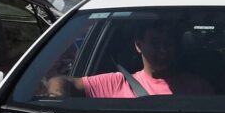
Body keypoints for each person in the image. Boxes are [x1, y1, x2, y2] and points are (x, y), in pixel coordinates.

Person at [45, 22, 212, 98]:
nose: (163, 49)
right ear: (139, 45)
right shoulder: (117, 83)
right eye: (155, 42)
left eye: (168, 42)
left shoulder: (196, 86)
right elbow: (60, 81)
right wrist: (56, 98)